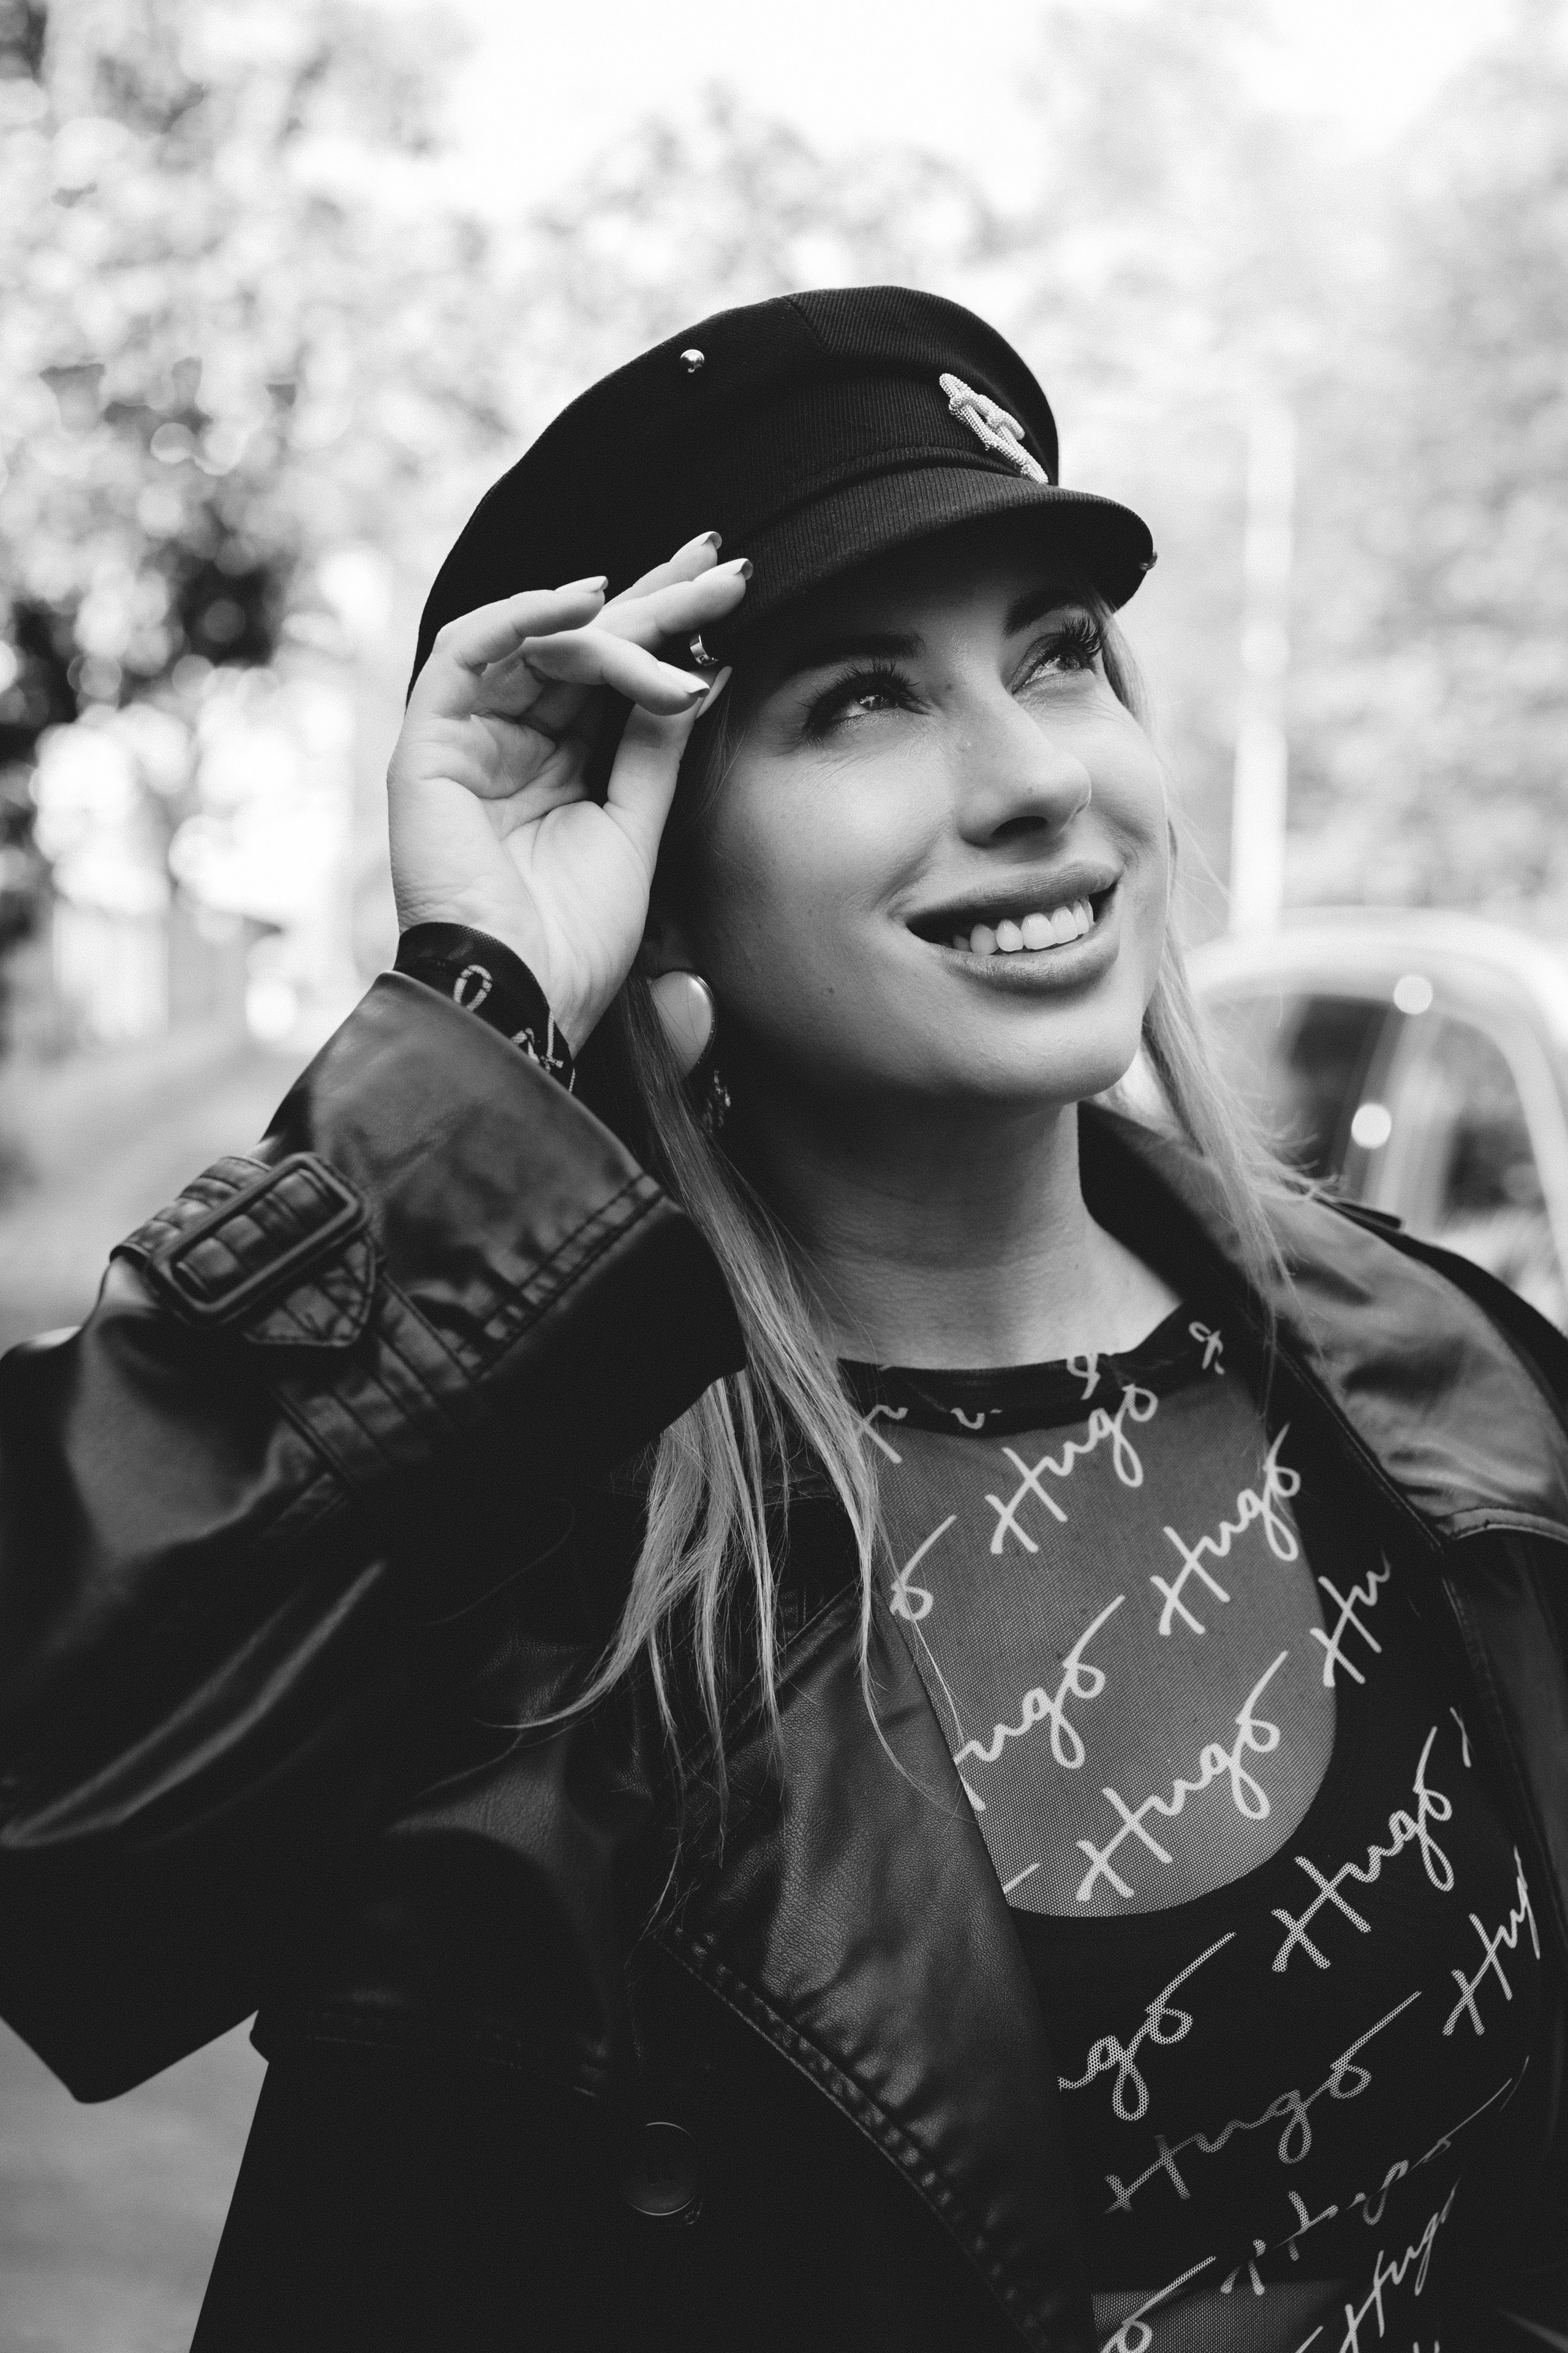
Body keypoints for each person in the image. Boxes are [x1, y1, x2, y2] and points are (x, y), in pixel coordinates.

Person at [0, 287, 1564, 2353]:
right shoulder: (521, 1549)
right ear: (660, 849)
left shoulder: (1449, 1380)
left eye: (1060, 655)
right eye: (859, 701)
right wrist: (481, 1005)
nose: (1031, 779)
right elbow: (57, 1824)